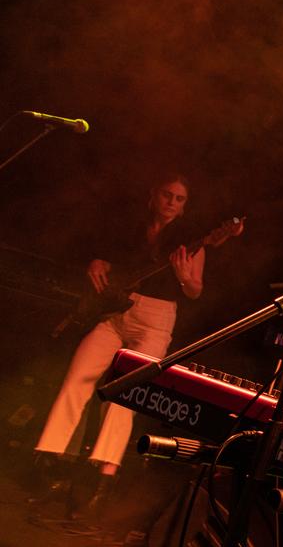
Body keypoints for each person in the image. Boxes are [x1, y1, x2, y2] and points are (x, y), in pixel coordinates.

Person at [31, 174, 212, 514]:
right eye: (167, 194)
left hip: (156, 321)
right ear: (153, 195)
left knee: (122, 396)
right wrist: (99, 262)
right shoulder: (136, 228)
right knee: (77, 378)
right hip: (118, 311)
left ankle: (103, 477)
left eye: (180, 198)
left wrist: (186, 277)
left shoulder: (189, 243)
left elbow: (195, 289)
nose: (172, 202)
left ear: (185, 207)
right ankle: (53, 465)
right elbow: (121, 264)